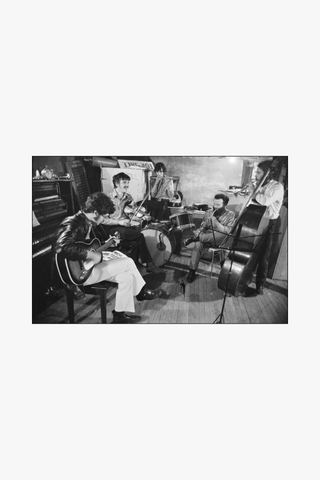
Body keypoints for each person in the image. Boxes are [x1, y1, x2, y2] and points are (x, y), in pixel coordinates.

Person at [53, 192, 160, 323]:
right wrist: (90, 254)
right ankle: (140, 292)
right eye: (105, 216)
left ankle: (119, 316)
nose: (105, 219)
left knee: (127, 278)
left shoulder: (90, 223)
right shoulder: (72, 223)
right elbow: (60, 247)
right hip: (79, 275)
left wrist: (107, 244)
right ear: (96, 212)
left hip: (89, 268)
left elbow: (89, 246)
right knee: (128, 262)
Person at [103, 172, 163, 274]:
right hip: (113, 228)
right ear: (117, 184)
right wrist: (119, 222)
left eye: (128, 182)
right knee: (139, 236)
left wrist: (143, 215)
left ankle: (132, 267)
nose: (127, 185)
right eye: (124, 182)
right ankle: (149, 264)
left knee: (135, 244)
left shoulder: (128, 197)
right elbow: (104, 220)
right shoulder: (108, 199)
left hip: (125, 226)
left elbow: (133, 211)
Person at [247, 160, 284, 295]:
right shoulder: (260, 185)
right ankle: (246, 278)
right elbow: (252, 204)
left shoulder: (277, 186)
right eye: (256, 172)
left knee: (263, 256)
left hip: (269, 223)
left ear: (268, 173)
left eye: (258, 172)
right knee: (252, 253)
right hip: (257, 221)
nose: (256, 175)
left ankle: (259, 286)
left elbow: (265, 201)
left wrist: (253, 191)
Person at [184, 193, 235, 283]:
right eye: (214, 204)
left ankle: (197, 238)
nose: (215, 207)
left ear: (225, 205)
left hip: (220, 239)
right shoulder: (208, 212)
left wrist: (216, 223)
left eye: (218, 205)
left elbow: (228, 231)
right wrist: (202, 228)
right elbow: (203, 227)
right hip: (206, 237)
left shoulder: (230, 215)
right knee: (198, 244)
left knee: (223, 234)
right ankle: (192, 271)